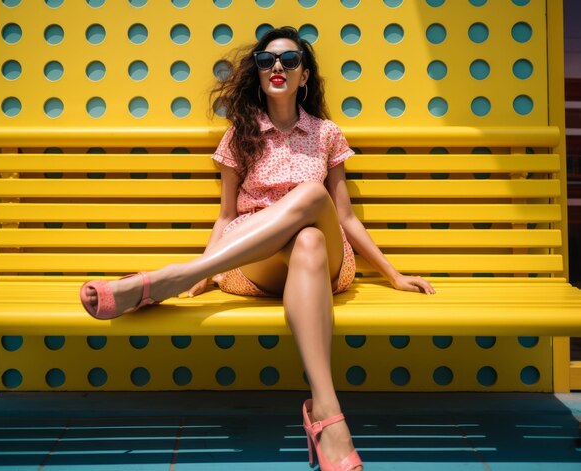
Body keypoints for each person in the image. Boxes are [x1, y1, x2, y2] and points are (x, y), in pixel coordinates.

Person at [81, 26, 435, 471]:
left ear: (305, 76)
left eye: (289, 61)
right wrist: (212, 272)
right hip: (256, 264)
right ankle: (327, 416)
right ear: (259, 73)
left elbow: (344, 218)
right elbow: (228, 217)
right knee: (303, 233)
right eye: (268, 61)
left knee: (310, 208)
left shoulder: (326, 133)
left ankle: (174, 276)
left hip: (325, 261)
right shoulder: (240, 134)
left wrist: (391, 273)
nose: (278, 68)